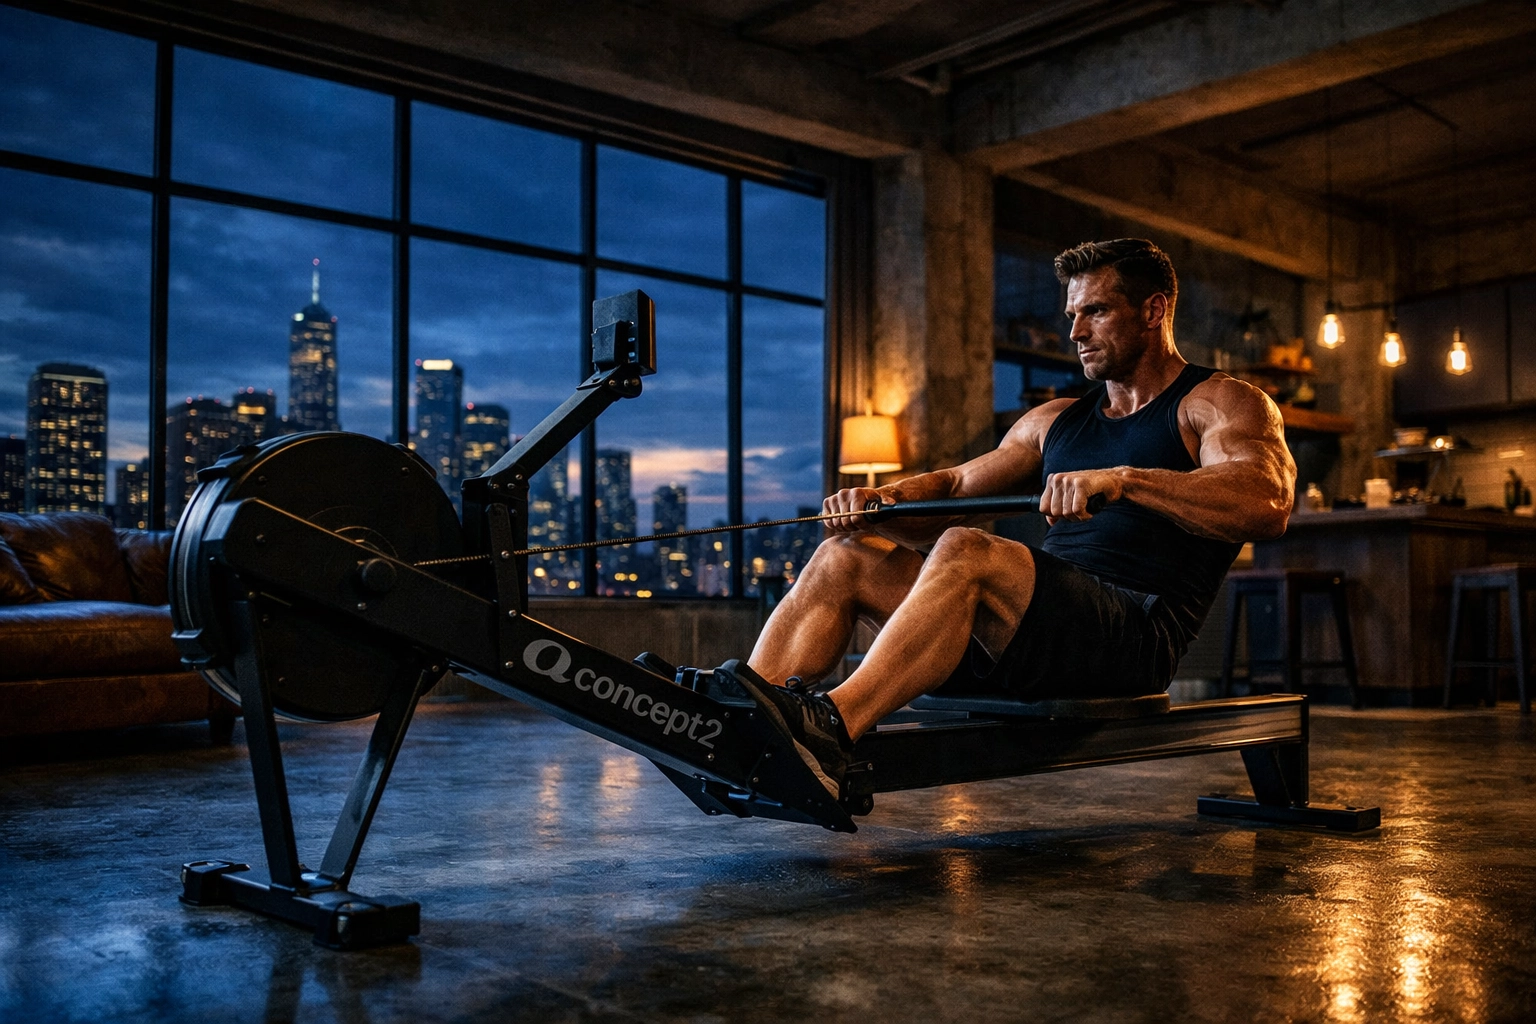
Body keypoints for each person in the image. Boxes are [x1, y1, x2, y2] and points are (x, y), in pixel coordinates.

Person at [729, 238, 1297, 799]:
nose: (1075, 333)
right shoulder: (1056, 421)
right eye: (1073, 315)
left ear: (1153, 310)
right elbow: (954, 486)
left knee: (967, 549)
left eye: (1095, 312)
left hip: (1129, 641)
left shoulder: (1215, 401)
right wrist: (881, 500)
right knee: (846, 555)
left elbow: (1266, 500)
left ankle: (829, 730)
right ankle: (740, 722)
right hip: (1030, 639)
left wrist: (1125, 479)